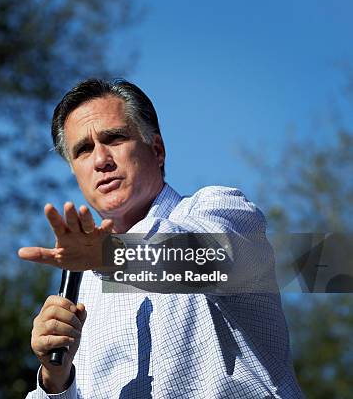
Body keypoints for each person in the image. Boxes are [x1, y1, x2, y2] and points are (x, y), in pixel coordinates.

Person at [18, 78, 303, 398]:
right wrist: (55, 378)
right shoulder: (80, 285)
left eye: (114, 138)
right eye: (83, 150)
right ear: (75, 171)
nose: (101, 160)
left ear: (157, 150)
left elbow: (210, 260)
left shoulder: (217, 208)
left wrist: (107, 257)